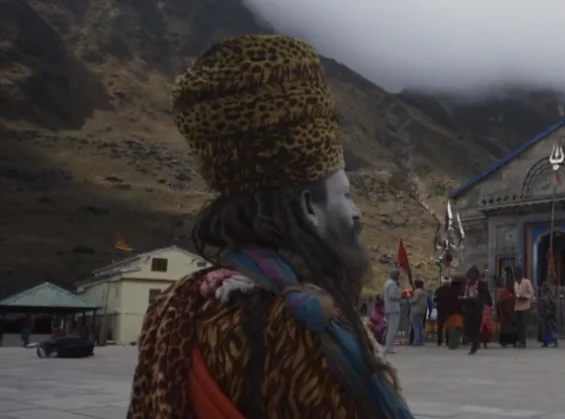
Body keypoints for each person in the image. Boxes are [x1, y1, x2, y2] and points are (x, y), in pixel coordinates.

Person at [126, 35, 412, 418]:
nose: (356, 212)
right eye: (345, 195)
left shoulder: (178, 307)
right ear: (310, 208)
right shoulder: (300, 327)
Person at [461, 267, 492, 355]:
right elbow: (464, 293)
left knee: (475, 327)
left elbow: (486, 295)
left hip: (478, 308)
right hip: (469, 307)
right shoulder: (468, 284)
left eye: (472, 275)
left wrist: (489, 304)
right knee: (467, 328)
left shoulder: (482, 284)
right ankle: (474, 341)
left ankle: (474, 345)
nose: (470, 277)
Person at [382, 269, 404, 354]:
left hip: (387, 307)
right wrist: (400, 295)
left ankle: (388, 346)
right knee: (393, 329)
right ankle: (389, 347)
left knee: (389, 329)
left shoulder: (386, 283)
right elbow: (392, 296)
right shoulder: (393, 284)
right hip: (394, 308)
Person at [513, 267, 535, 348]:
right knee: (518, 324)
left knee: (523, 324)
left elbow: (531, 292)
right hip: (517, 305)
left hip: (525, 305)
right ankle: (519, 340)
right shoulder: (515, 283)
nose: (517, 279)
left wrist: (526, 297)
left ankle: (523, 342)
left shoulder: (526, 282)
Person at [497, 279, 520, 347]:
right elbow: (499, 301)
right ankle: (504, 342)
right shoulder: (503, 292)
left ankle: (514, 341)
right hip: (505, 313)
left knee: (513, 329)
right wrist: (507, 298)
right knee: (505, 329)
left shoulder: (515, 292)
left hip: (513, 312)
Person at [434, 277, 457, 347]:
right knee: (448, 327)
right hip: (450, 310)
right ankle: (447, 340)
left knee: (440, 326)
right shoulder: (452, 291)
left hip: (440, 309)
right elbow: (455, 300)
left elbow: (435, 299)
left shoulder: (438, 290)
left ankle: (439, 341)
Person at [537, 282, 559, 347]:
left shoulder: (550, 296)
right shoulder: (543, 296)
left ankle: (555, 342)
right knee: (543, 329)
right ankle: (545, 342)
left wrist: (551, 312)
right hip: (543, 314)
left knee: (551, 328)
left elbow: (553, 305)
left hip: (549, 314)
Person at [407, 278, 428, 346]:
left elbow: (415, 300)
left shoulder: (417, 291)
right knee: (420, 326)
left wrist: (409, 299)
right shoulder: (424, 291)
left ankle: (416, 341)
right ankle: (421, 340)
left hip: (416, 310)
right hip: (422, 310)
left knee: (415, 326)